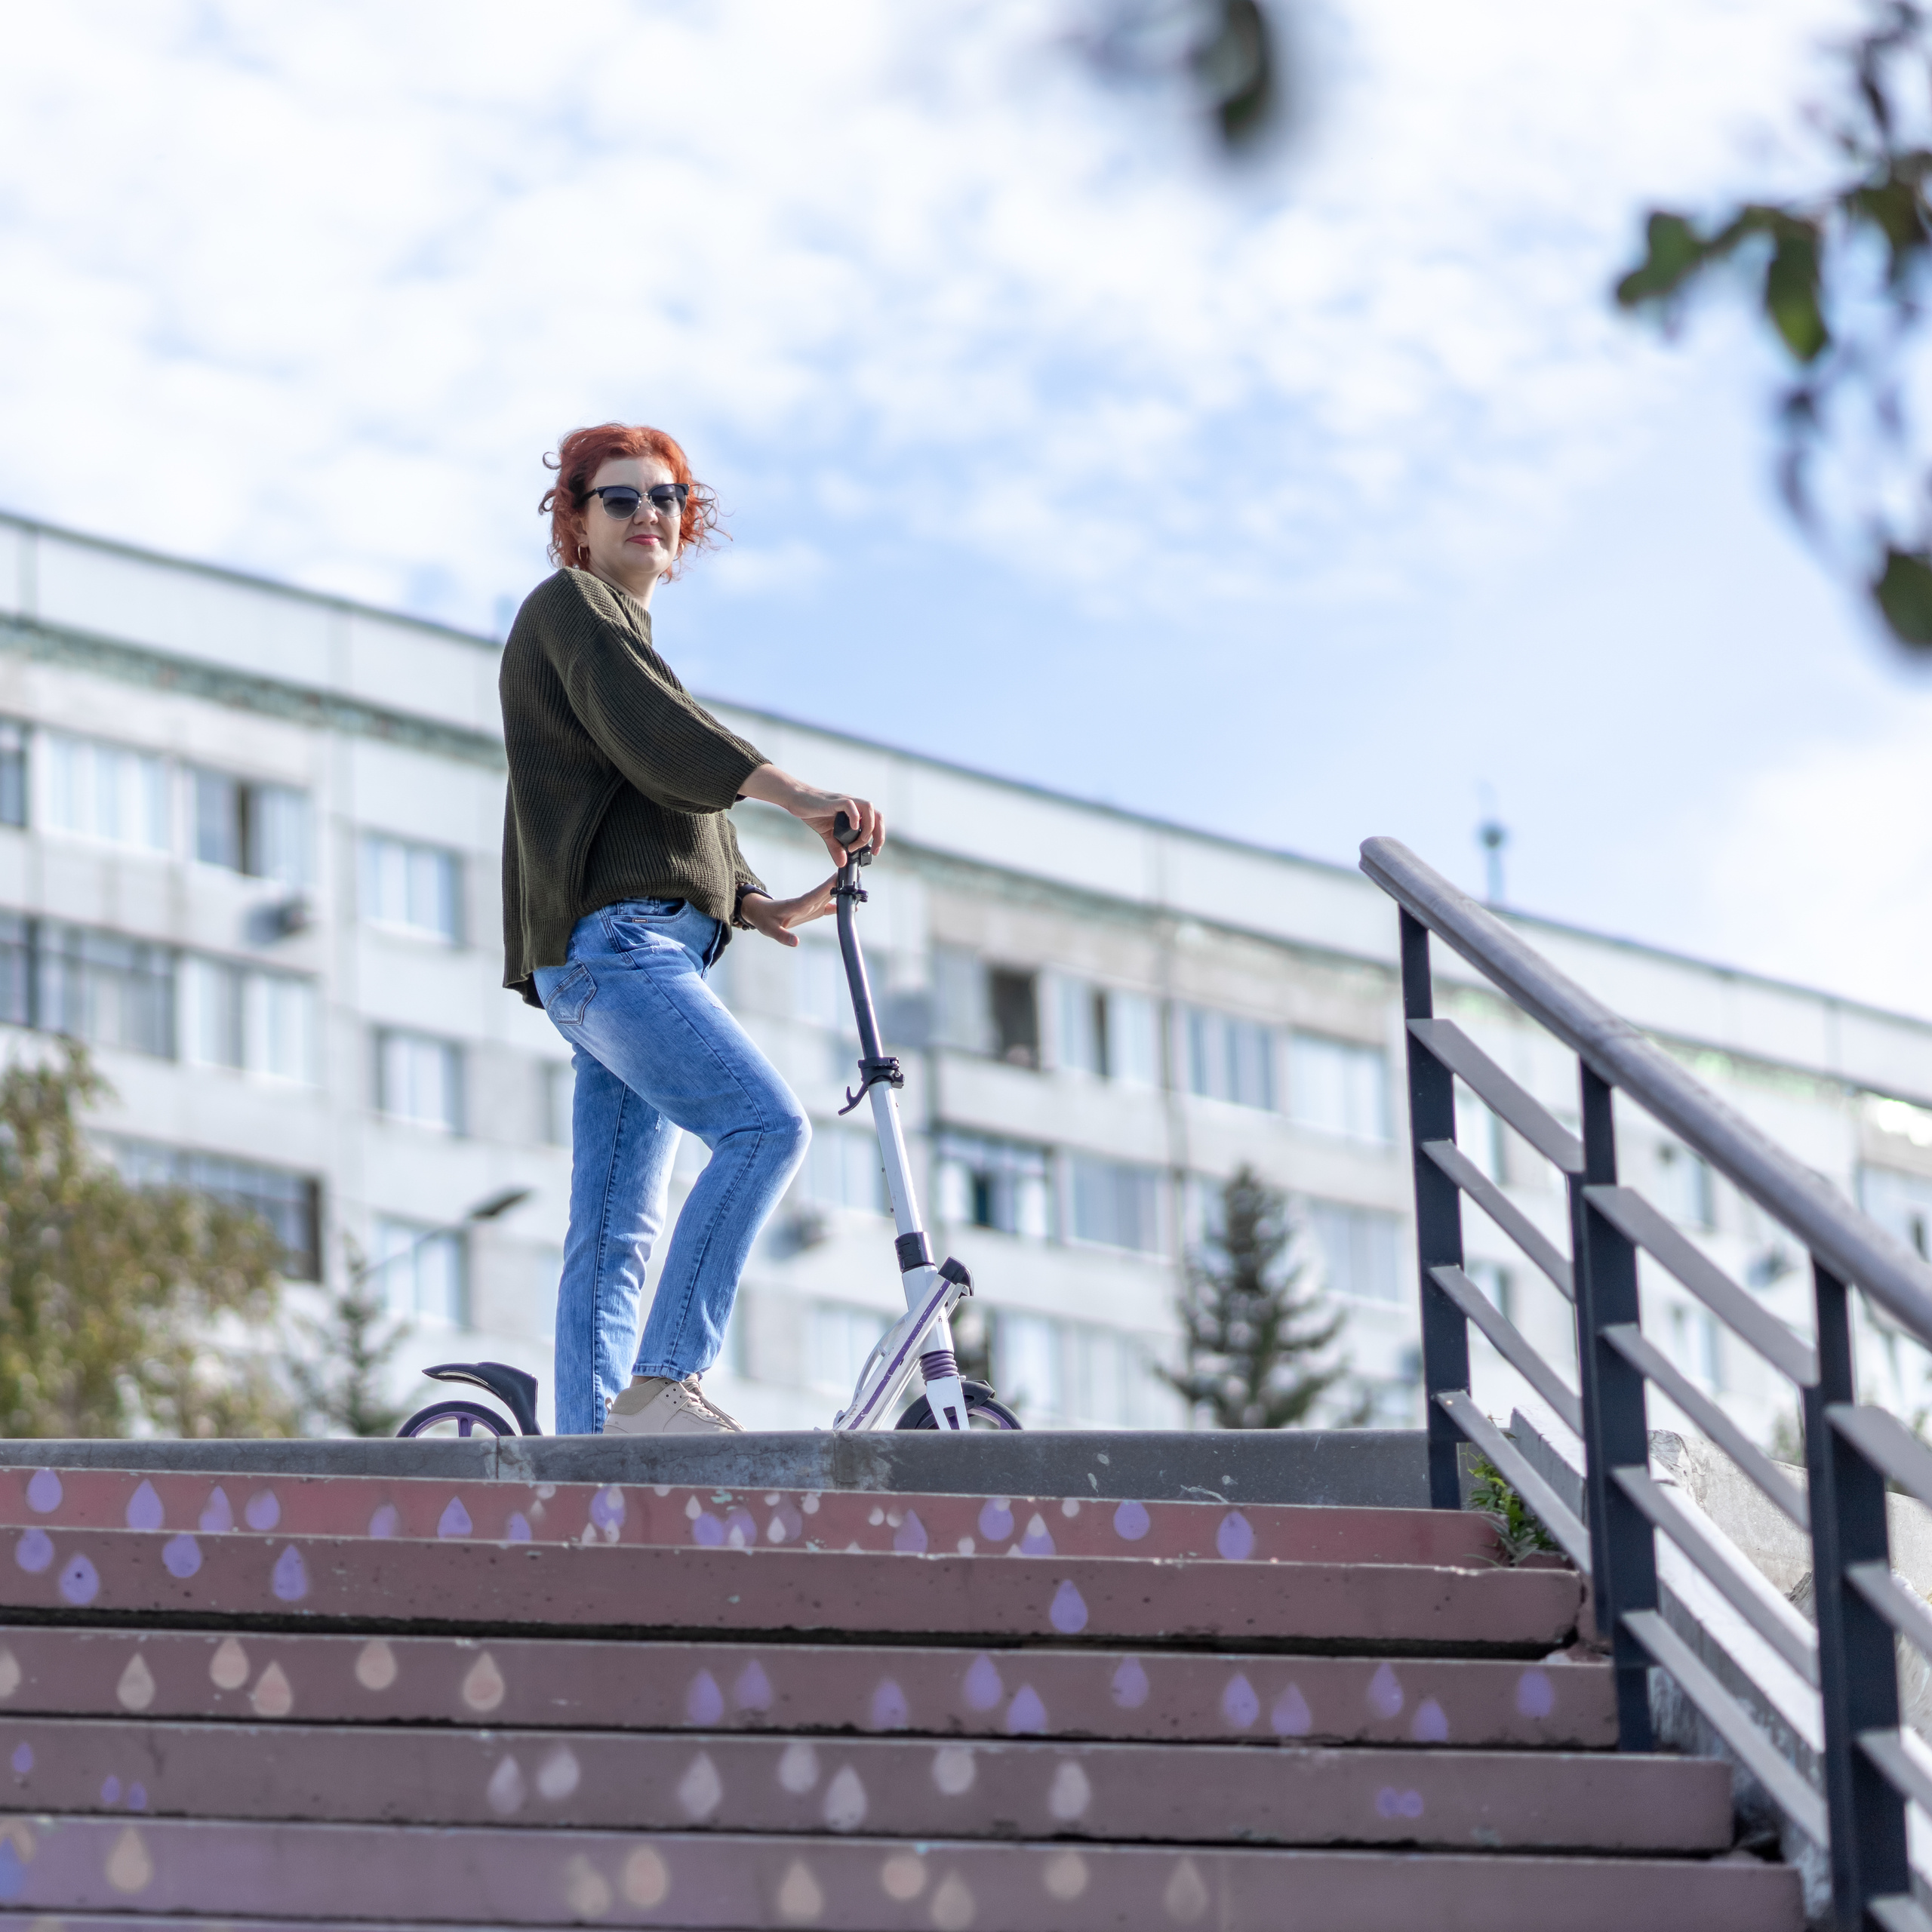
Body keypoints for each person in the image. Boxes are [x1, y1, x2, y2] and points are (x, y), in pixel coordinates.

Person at [500, 422, 884, 1436]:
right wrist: (801, 797)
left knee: (614, 1231)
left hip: (617, 959)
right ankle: (666, 1378)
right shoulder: (573, 610)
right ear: (576, 522)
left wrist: (754, 902)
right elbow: (666, 740)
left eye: (667, 498)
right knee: (765, 1128)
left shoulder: (626, 653)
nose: (649, 514)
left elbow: (653, 794)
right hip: (619, 952)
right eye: (620, 497)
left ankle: (594, 1457)